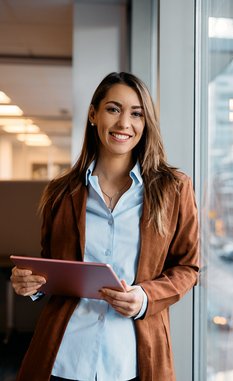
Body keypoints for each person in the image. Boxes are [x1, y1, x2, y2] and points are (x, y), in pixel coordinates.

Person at [10, 72, 199, 381]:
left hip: (133, 360)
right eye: (114, 109)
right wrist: (31, 284)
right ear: (93, 114)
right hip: (64, 358)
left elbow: (188, 267)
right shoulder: (61, 192)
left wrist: (145, 297)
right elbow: (52, 266)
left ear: (145, 121)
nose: (125, 123)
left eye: (136, 113)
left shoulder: (174, 188)